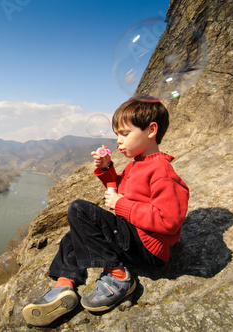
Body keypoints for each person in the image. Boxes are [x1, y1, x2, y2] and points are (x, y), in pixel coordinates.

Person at [22, 97, 189, 326]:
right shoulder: (136, 164)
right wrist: (107, 169)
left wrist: (122, 205)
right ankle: (65, 284)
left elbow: (168, 221)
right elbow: (117, 189)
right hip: (131, 236)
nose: (119, 142)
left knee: (79, 210)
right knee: (73, 236)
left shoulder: (162, 170)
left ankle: (118, 276)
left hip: (147, 248)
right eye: (117, 135)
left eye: (125, 134)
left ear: (151, 130)